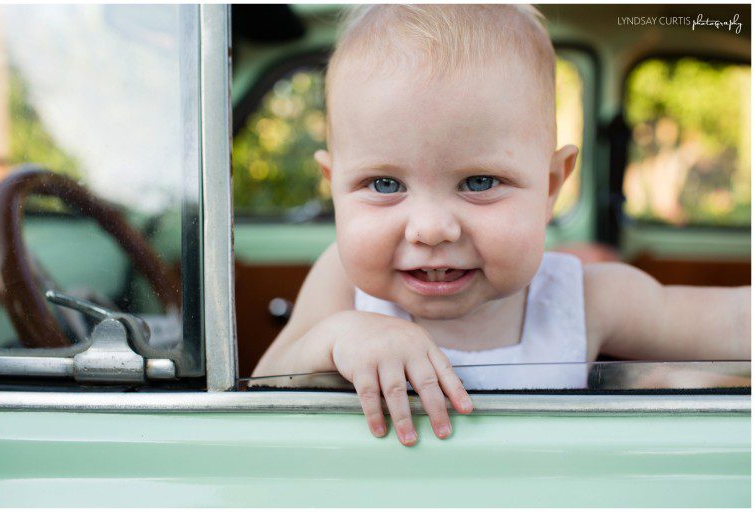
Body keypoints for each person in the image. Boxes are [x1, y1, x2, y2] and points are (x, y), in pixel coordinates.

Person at [253, 5, 750, 446]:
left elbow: (733, 322)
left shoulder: (585, 299)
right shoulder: (343, 285)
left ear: (551, 185)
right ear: (332, 183)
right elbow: (257, 397)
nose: (431, 229)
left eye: (479, 181)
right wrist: (336, 339)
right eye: (384, 185)